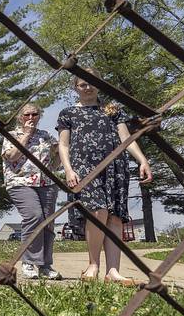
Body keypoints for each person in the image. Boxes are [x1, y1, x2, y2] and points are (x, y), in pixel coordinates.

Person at [57, 71, 153, 286]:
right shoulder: (68, 113)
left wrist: (142, 161)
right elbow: (64, 145)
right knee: (97, 211)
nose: (88, 88)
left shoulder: (112, 110)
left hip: (115, 167)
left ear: (99, 86)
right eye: (82, 85)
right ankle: (93, 265)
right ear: (76, 88)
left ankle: (113, 271)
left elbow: (126, 139)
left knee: (115, 216)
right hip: (84, 169)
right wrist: (69, 170)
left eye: (91, 84)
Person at [1, 103, 61, 280]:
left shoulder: (46, 136)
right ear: (20, 117)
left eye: (34, 114)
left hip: (46, 182)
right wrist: (26, 135)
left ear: (39, 116)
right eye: (27, 115)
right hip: (20, 181)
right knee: (34, 216)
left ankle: (45, 266)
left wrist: (59, 152)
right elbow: (11, 157)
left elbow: (55, 164)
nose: (31, 118)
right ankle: (28, 261)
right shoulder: (11, 135)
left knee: (48, 222)